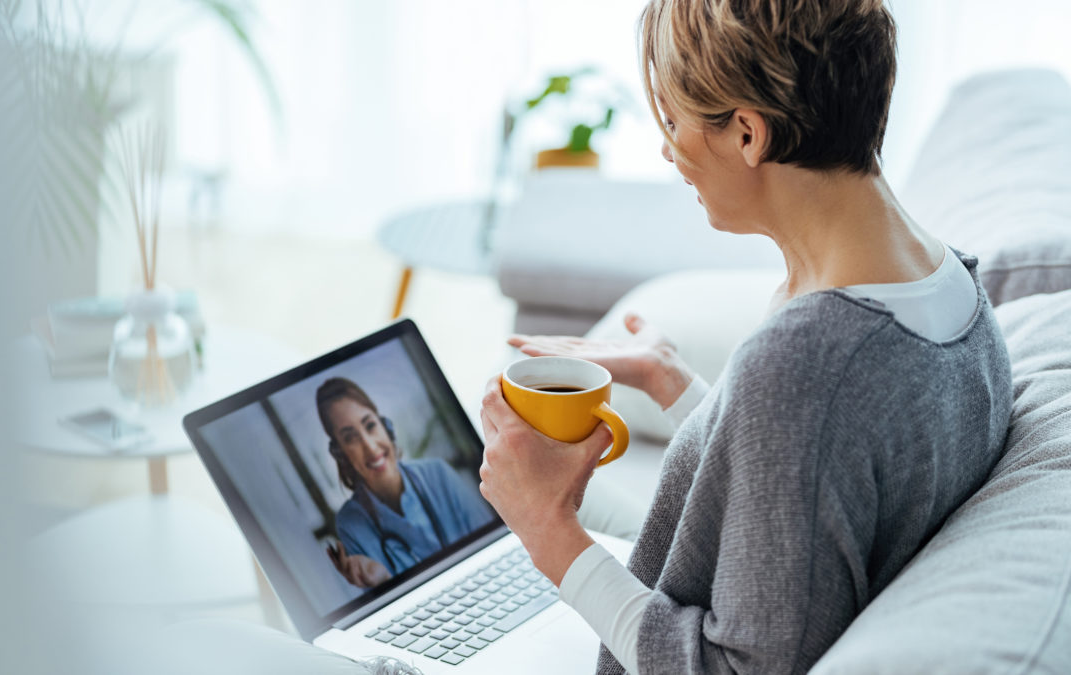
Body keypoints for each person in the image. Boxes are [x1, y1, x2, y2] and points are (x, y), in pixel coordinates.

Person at [478, 1, 1013, 674]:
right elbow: (812, 482)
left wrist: (547, 529)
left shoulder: (807, 364)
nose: (668, 151)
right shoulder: (945, 281)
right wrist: (677, 384)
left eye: (673, 122)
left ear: (748, 135)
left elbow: (742, 666)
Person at [317, 377, 495, 588]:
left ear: (385, 426)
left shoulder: (438, 474)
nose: (371, 447)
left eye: (370, 425)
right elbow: (381, 605)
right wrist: (383, 582)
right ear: (340, 454)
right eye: (350, 438)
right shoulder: (351, 524)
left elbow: (493, 546)